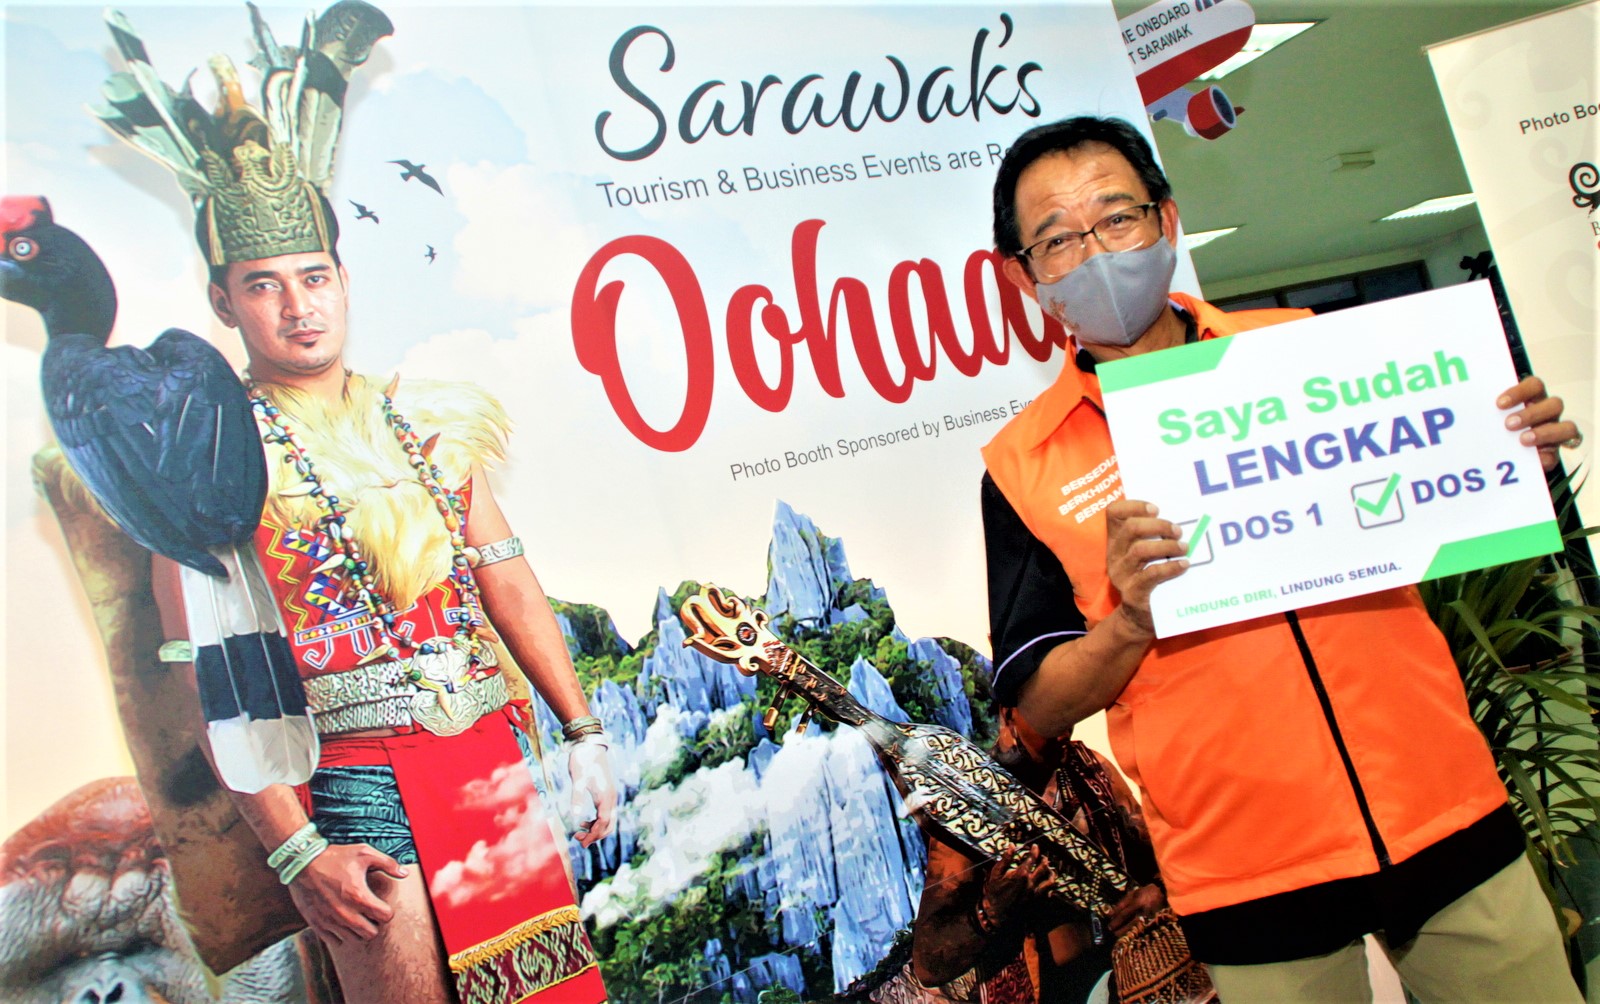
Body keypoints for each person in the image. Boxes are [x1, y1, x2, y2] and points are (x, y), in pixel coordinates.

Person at [980, 115, 1584, 1001]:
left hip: (1442, 804)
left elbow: (1426, 506)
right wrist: (1133, 618)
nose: (1097, 252)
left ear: (1166, 220)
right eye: (1059, 238)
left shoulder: (1308, 356)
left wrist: (1503, 456)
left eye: (1117, 217)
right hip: (1246, 871)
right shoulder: (1024, 465)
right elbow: (1038, 701)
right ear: (1021, 275)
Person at [99, 6, 615, 1002]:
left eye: (314, 277)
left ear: (344, 277)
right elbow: (215, 679)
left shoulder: (430, 420)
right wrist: (297, 850)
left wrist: (583, 729)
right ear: (223, 302)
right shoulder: (206, 461)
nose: (299, 306)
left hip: (490, 759)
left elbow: (506, 577)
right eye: (265, 285)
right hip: (355, 781)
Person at [911, 710, 1172, 1003]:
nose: (1064, 730)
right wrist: (991, 910)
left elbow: (1165, 855)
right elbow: (928, 965)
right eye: (1047, 712)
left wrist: (1158, 891)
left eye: (1066, 711)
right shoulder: (967, 807)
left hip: (1131, 978)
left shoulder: (1090, 769)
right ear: (1009, 714)